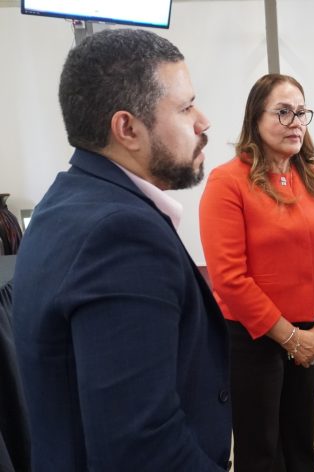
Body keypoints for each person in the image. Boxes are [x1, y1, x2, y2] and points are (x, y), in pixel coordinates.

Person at [12, 29, 231, 471]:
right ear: (127, 128)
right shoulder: (121, 235)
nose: (203, 121)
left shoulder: (67, 199)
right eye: (186, 107)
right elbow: (143, 449)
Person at [199, 73, 314, 471]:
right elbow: (229, 277)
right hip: (252, 338)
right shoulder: (228, 182)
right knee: (260, 450)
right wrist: (290, 338)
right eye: (283, 112)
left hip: (310, 336)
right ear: (255, 118)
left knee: (301, 444)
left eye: (301, 112)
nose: (296, 122)